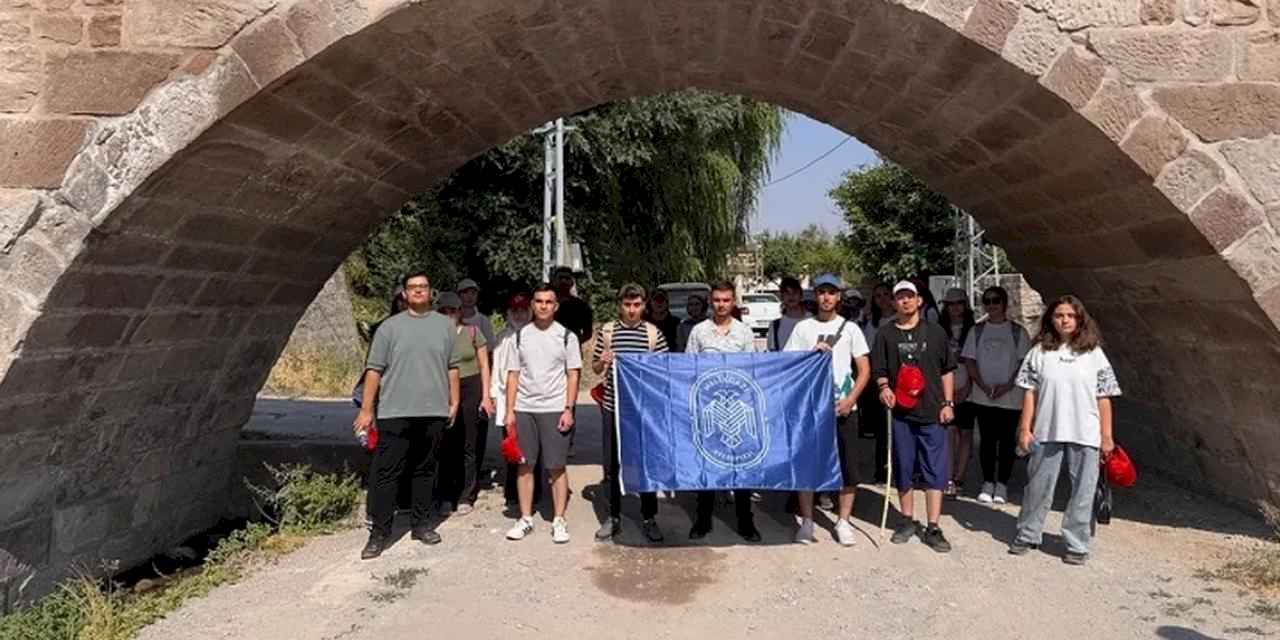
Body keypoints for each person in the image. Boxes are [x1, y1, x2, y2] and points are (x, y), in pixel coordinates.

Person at [352, 271, 460, 560]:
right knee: (387, 473)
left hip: (433, 409)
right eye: (413, 288)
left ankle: (422, 524)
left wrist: (455, 401)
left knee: (425, 469)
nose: (418, 291)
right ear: (404, 294)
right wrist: (366, 410)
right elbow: (374, 370)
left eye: (423, 287)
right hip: (395, 411)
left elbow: (453, 367)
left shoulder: (445, 327)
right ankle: (379, 533)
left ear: (430, 292)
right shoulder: (389, 328)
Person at [1009, 295, 1120, 565]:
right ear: (1051, 319)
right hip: (1047, 431)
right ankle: (1028, 533)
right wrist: (1025, 428)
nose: (1065, 320)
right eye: (1059, 315)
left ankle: (1077, 543)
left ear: (1080, 319)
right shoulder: (1039, 353)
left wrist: (1106, 436)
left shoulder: (1094, 354)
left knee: (1083, 491)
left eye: (1070, 315)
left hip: (1086, 433)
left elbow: (1103, 397)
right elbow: (1029, 394)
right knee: (1038, 486)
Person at [783, 274, 871, 546]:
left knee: (848, 467)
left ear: (839, 297)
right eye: (821, 292)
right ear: (815, 296)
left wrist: (850, 399)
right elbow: (790, 365)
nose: (826, 298)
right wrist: (811, 352)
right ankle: (808, 521)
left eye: (831, 292)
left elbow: (864, 370)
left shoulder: (852, 329)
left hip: (843, 407)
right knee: (807, 464)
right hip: (811, 408)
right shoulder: (802, 328)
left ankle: (843, 521)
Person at [871, 280, 957, 553]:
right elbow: (879, 369)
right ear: (894, 303)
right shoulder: (885, 334)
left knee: (935, 469)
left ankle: (933, 526)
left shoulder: (936, 333)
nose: (905, 301)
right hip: (901, 413)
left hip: (932, 411)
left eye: (910, 297)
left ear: (920, 300)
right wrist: (884, 388)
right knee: (904, 466)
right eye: (900, 297)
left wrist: (948, 402)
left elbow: (947, 370)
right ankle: (907, 519)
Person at [505, 284, 583, 544]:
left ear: (556, 306)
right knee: (525, 465)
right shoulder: (520, 336)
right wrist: (509, 412)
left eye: (548, 302)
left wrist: (569, 409)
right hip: (525, 409)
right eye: (539, 301)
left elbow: (573, 374)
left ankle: (559, 519)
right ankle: (525, 518)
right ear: (532, 305)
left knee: (556, 467)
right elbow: (513, 375)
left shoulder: (566, 337)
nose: (543, 306)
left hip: (554, 408)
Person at [591, 284, 669, 542]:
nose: (632, 309)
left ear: (644, 305)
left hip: (643, 411)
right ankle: (613, 516)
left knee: (645, 464)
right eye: (627, 305)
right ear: (620, 305)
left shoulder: (653, 334)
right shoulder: (608, 331)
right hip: (613, 408)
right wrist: (603, 360)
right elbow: (595, 368)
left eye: (637, 305)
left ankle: (649, 517)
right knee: (611, 465)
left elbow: (664, 371)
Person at [685, 280, 761, 542]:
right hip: (709, 406)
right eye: (717, 300)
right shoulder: (698, 332)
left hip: (738, 406)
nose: (721, 304)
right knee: (706, 462)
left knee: (741, 465)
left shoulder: (745, 332)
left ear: (733, 302)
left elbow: (752, 369)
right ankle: (703, 519)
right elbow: (688, 368)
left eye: (726, 300)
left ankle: (745, 521)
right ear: (711, 301)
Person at [962, 286, 1032, 505]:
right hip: (983, 395)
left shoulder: (1018, 332)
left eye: (996, 301)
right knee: (986, 440)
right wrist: (982, 384)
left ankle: (1002, 482)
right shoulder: (977, 331)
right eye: (988, 302)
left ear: (1004, 304)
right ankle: (987, 482)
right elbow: (970, 361)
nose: (992, 306)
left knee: (1007, 440)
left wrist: (1008, 385)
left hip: (1010, 396)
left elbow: (1024, 363)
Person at [433, 292, 494, 516]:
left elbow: (485, 365)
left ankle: (466, 495)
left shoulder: (472, 332)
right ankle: (445, 495)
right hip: (444, 386)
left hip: (471, 386)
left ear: (460, 311)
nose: (449, 315)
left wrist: (486, 396)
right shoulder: (434, 335)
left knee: (469, 443)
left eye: (453, 310)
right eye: (444, 311)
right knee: (446, 443)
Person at [491, 291, 538, 506]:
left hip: (530, 398)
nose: (519, 315)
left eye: (523, 310)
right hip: (504, 398)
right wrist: (492, 394)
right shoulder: (502, 337)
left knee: (532, 448)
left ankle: (534, 493)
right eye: (515, 311)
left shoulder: (535, 335)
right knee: (510, 446)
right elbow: (496, 369)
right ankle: (512, 492)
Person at [939, 288, 977, 499]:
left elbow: (975, 361)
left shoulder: (973, 329)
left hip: (968, 388)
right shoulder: (939, 329)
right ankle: (948, 477)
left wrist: (968, 387)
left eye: (959, 303)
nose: (955, 308)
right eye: (950, 304)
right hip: (946, 389)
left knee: (966, 433)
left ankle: (960, 477)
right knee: (949, 433)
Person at [552, 266, 592, 458]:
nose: (565, 281)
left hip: (572, 357)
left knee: (570, 397)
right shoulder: (546, 304)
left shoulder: (581, 306)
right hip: (548, 356)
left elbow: (588, 333)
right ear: (553, 280)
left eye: (568, 278)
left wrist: (573, 345)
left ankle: (568, 440)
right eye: (561, 278)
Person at [860, 282, 897, 481]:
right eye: (878, 296)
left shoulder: (901, 320)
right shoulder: (872, 323)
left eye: (886, 294)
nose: (882, 299)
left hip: (901, 380)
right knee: (882, 429)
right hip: (879, 379)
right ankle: (882, 470)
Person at [765, 276, 810, 353]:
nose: (791, 296)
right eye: (787, 293)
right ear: (782, 296)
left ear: (801, 295)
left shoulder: (813, 320)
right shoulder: (775, 326)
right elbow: (773, 354)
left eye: (794, 292)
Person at [456, 278, 497, 349]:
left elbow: (490, 346)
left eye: (473, 293)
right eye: (465, 292)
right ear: (459, 295)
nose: (470, 296)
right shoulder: (452, 319)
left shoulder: (483, 320)